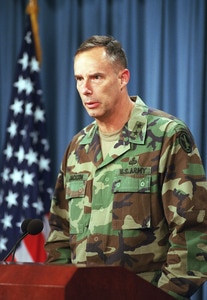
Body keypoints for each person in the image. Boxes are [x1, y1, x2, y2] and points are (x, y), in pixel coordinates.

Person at [45, 35, 207, 299]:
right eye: (78, 79)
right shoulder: (78, 147)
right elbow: (60, 237)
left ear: (122, 78)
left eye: (96, 77)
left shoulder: (167, 136)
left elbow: (193, 234)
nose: (85, 89)